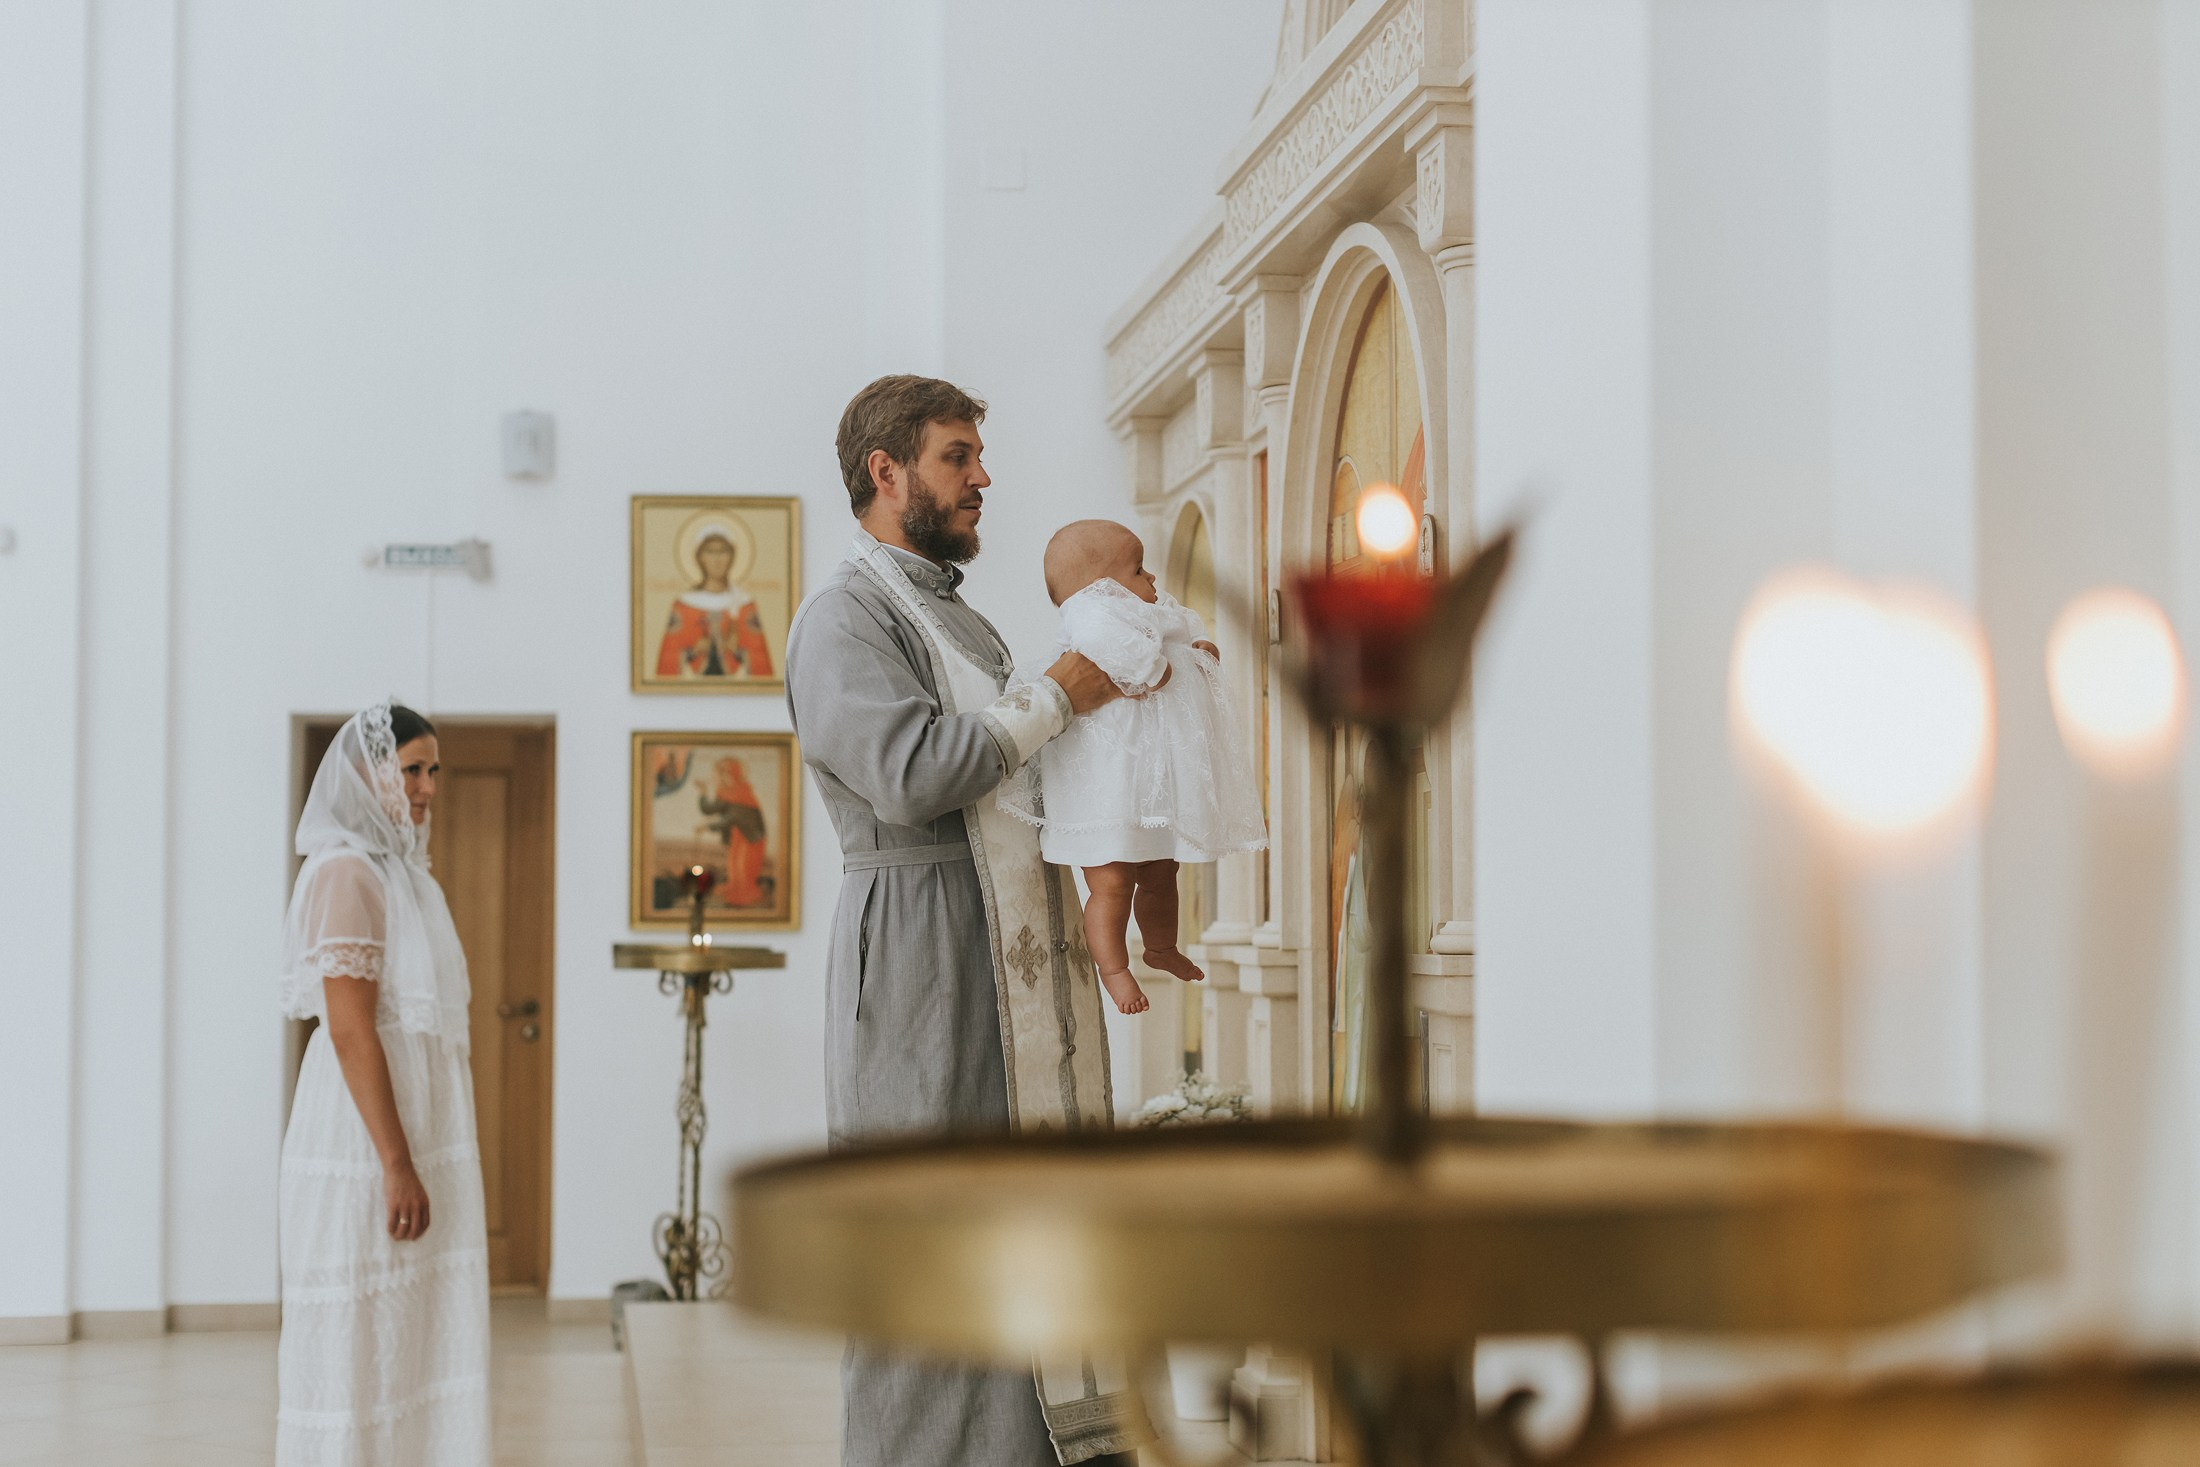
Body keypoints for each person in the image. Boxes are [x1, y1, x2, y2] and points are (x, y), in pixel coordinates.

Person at [785, 375, 1144, 1467]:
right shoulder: (845, 615)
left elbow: (1020, 766)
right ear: (884, 472)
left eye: (978, 455)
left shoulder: (956, 614)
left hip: (1002, 935)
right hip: (923, 946)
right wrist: (1059, 693)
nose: (982, 477)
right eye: (957, 456)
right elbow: (907, 773)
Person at [276, 701, 490, 1467]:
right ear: (368, 775)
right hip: (365, 1141)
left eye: (434, 769)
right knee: (359, 1336)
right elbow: (349, 1028)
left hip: (419, 1126)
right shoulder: (345, 873)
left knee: (414, 1329)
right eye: (411, 769)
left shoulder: (408, 875)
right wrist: (397, 1162)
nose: (428, 785)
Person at [1003, 519, 1266, 1016]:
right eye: (1139, 569)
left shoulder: (1146, 609)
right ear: (1100, 586)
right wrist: (1158, 668)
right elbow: (1133, 659)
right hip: (1099, 790)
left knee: (1163, 870)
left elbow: (1183, 629)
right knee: (1111, 882)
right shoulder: (1090, 613)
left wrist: (1198, 651)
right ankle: (1115, 970)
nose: (1152, 580)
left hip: (1145, 787)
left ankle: (1161, 946)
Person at [655, 524, 774, 679]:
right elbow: (668, 662)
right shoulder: (684, 605)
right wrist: (694, 650)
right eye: (710, 552)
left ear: (732, 557)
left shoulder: (744, 604)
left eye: (723, 551)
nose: (717, 559)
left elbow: (760, 664)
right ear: (700, 557)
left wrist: (735, 649)